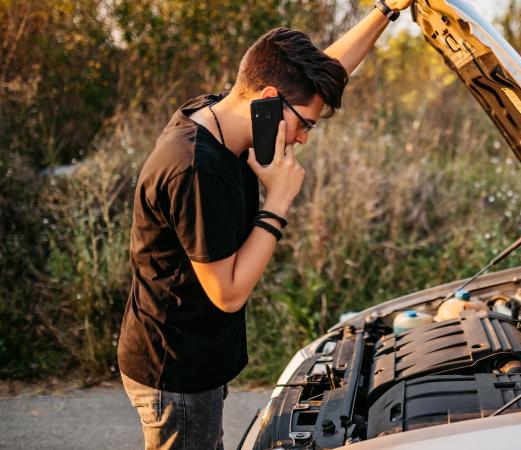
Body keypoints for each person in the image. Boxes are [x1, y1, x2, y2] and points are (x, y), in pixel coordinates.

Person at [117, 1, 413, 448]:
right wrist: (278, 201)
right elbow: (228, 293)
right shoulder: (195, 169)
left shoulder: (227, 114)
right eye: (304, 125)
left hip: (198, 357)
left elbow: (327, 71)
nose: (303, 138)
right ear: (270, 102)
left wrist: (386, 10)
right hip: (176, 373)